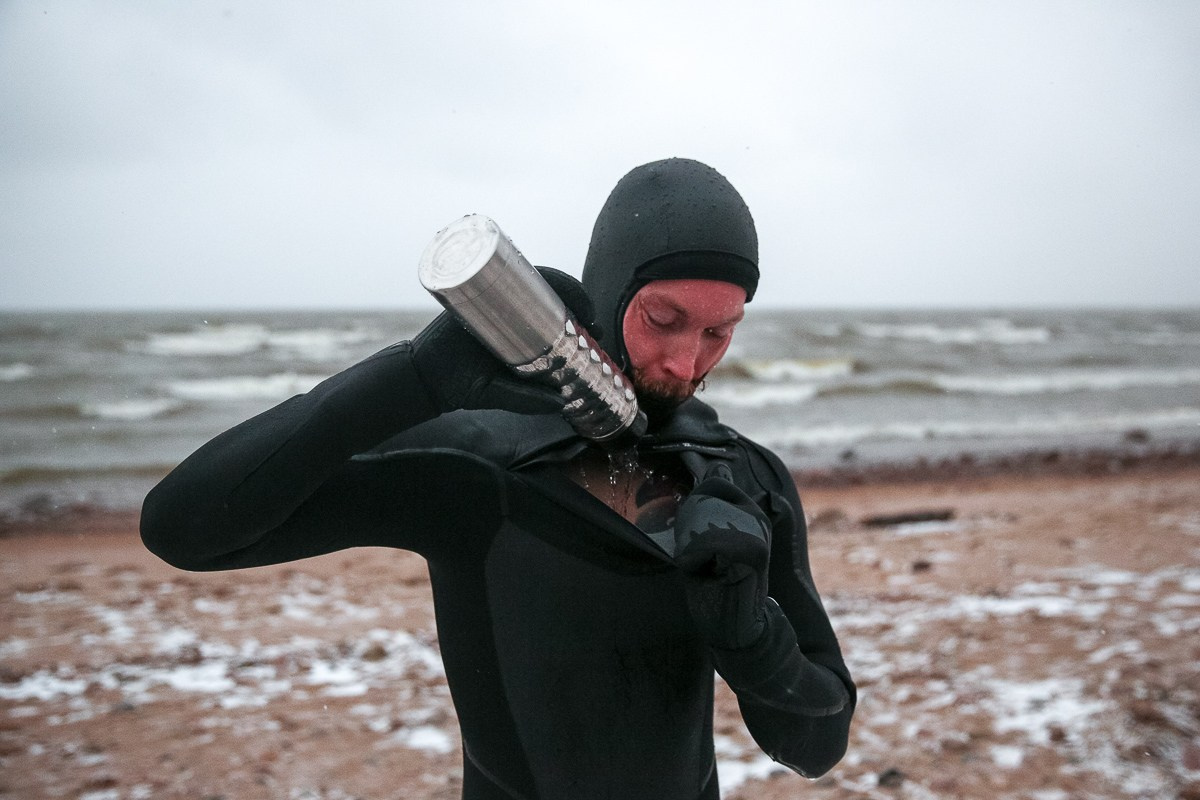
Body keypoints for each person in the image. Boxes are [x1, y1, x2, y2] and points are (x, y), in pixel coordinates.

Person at [141, 157, 855, 799]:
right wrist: (413, 379)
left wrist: (751, 635)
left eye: (717, 333)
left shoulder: (744, 484)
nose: (684, 361)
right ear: (609, 293)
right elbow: (184, 529)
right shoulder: (475, 465)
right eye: (662, 318)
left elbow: (817, 745)